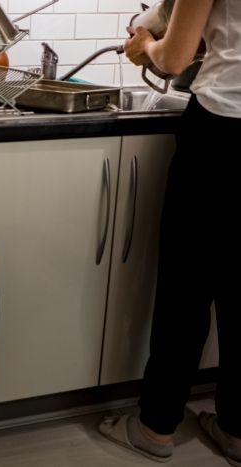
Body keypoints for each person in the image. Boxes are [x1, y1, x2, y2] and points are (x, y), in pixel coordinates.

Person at [98, 0, 241, 465]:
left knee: (187, 286)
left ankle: (155, 428)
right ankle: (237, 431)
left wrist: (147, 46)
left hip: (223, 133)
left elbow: (174, 59)